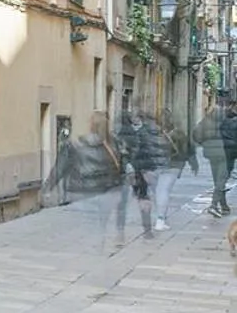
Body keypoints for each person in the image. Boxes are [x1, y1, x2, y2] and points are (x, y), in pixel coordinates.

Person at [45, 110, 126, 252]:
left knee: (83, 225)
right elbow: (120, 169)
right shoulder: (114, 145)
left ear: (91, 125)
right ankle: (97, 247)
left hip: (80, 192)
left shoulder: (76, 145)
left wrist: (47, 187)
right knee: (100, 224)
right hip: (105, 193)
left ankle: (84, 249)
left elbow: (60, 168)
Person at [120, 106, 169, 237]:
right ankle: (149, 227)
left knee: (140, 197)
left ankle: (146, 227)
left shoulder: (142, 132)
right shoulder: (149, 131)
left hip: (141, 168)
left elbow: (140, 151)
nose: (134, 119)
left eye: (136, 117)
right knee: (143, 196)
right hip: (142, 168)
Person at [156, 108, 191, 230]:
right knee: (165, 191)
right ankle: (160, 219)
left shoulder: (154, 132)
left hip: (157, 165)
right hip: (174, 165)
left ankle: (160, 218)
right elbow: (186, 151)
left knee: (159, 191)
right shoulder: (179, 133)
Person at [195, 96, 230, 215]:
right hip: (222, 154)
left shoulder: (205, 121)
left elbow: (196, 135)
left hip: (210, 154)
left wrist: (204, 143)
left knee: (217, 180)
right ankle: (214, 205)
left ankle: (223, 205)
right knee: (222, 179)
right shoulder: (223, 121)